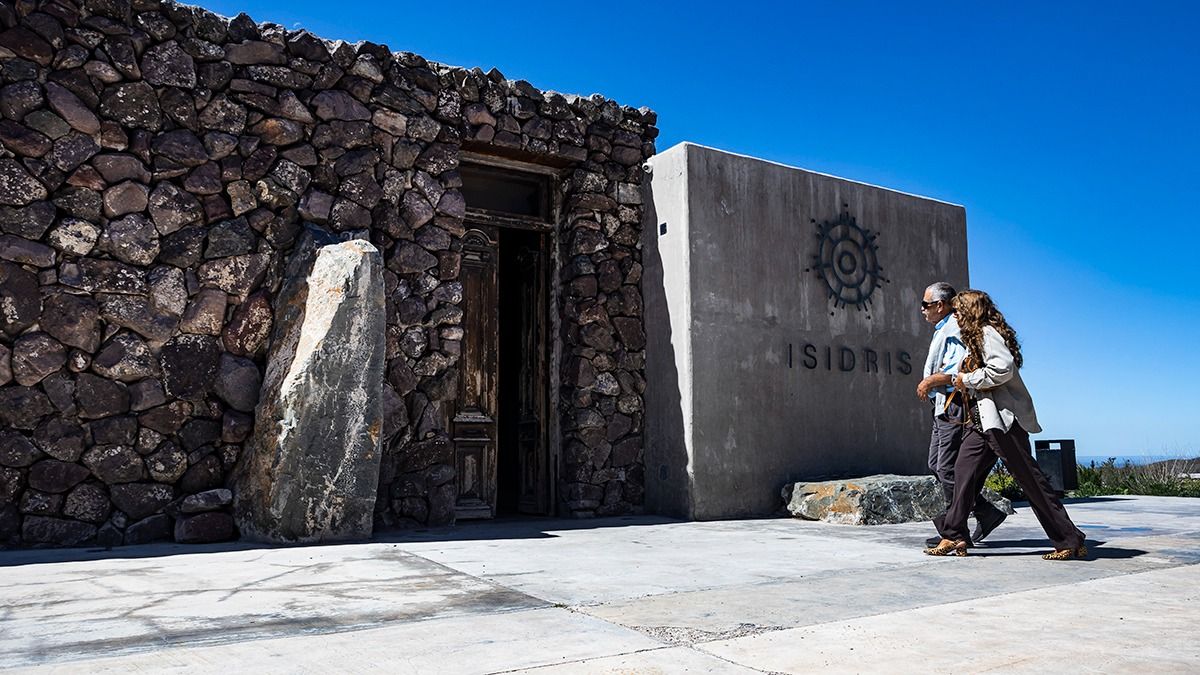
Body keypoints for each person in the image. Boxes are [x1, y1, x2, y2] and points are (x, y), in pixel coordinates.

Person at [925, 290, 1087, 560]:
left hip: (1002, 421)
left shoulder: (987, 333)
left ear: (970, 311)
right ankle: (954, 536)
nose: (954, 315)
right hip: (980, 422)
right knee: (963, 475)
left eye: (958, 310)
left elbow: (1002, 369)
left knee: (1030, 479)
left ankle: (1069, 539)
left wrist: (966, 379)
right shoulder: (975, 338)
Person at [916, 282, 1007, 547]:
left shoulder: (954, 326)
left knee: (946, 467)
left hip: (954, 404)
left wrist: (933, 380)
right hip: (943, 404)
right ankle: (983, 512)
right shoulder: (944, 328)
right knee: (937, 464)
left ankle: (954, 530)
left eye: (925, 305)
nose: (922, 310)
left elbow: (961, 363)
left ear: (940, 305)